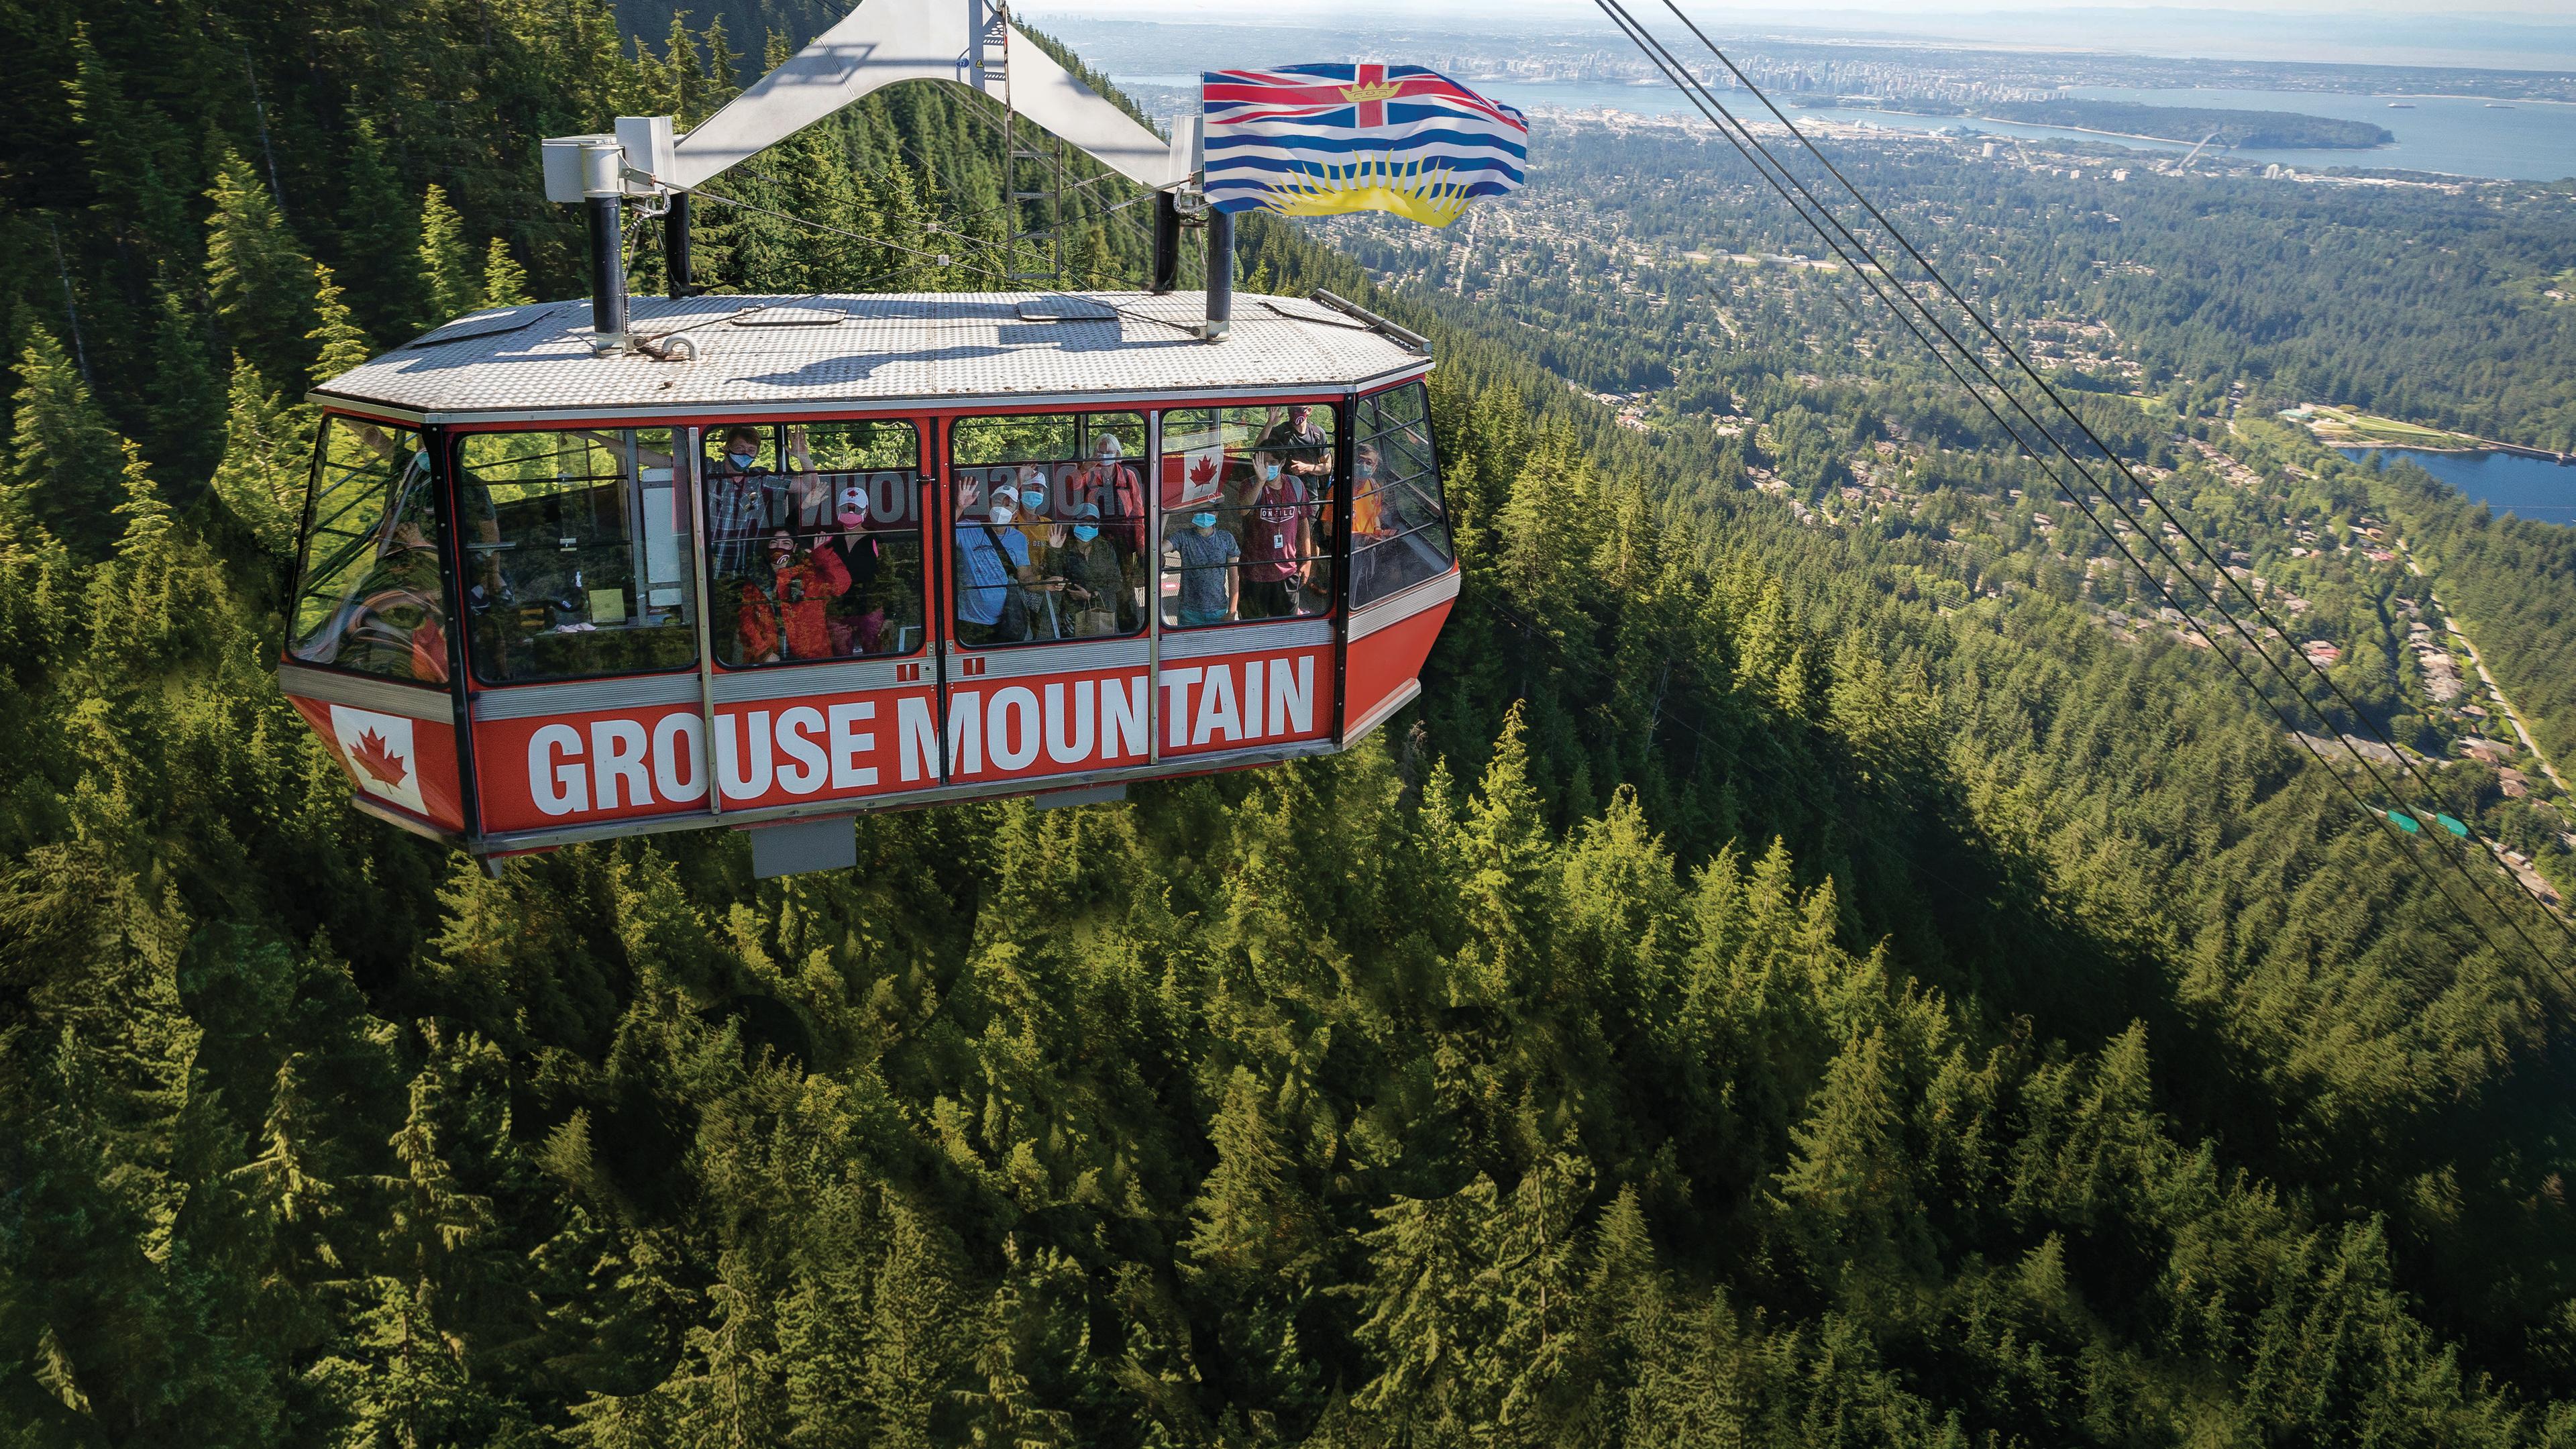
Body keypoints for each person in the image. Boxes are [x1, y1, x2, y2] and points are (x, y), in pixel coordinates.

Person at [705, 424, 824, 582]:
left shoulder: (760, 479)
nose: (745, 454)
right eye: (740, 448)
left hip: (747, 571)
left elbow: (810, 485)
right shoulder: (706, 469)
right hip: (709, 567)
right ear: (727, 448)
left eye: (751, 450)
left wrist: (803, 457)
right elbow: (669, 462)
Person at [737, 527, 850, 663]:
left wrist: (821, 554)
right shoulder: (755, 579)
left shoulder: (810, 573)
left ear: (795, 548)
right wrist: (764, 653)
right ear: (767, 546)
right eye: (774, 542)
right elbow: (746, 621)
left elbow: (841, 585)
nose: (779, 547)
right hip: (770, 662)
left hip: (812, 658)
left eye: (786, 543)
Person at [1234, 450, 1311, 619]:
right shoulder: (1249, 485)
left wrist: (1307, 559)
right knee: (1251, 629)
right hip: (1254, 574)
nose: (1268, 467)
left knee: (1286, 629)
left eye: (1273, 462)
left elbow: (1303, 519)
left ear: (1283, 463)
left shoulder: (1296, 485)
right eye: (1264, 462)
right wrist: (1261, 481)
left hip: (1287, 572)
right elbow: (1243, 510)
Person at [955, 494, 1033, 644]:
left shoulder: (1019, 539)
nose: (1002, 508)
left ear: (1015, 514)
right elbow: (940, 534)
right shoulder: (968, 528)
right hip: (968, 620)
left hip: (1004, 621)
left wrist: (1046, 582)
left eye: (1008, 505)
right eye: (998, 502)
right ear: (989, 507)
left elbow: (1025, 578)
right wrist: (960, 508)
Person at [1057, 503, 1137, 637]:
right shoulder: (1064, 548)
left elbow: (1116, 583)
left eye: (1093, 523)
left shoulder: (1105, 548)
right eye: (1084, 522)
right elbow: (1053, 577)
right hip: (1072, 617)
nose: (1088, 526)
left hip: (1103, 612)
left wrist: (1091, 595)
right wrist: (1053, 549)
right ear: (1074, 523)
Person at [1071, 433, 1145, 555]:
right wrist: (1084, 469)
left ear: (1117, 454)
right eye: (1101, 452)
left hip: (1124, 537)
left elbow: (1138, 512)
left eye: (1109, 452)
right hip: (1097, 533)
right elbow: (1073, 486)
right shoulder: (1090, 474)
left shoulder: (1128, 475)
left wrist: (1141, 542)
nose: (1105, 455)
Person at [1167, 505, 1239, 628]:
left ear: (1216, 513)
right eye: (1200, 510)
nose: (1205, 514)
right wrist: (1164, 514)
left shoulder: (1226, 539)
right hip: (1189, 612)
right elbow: (1159, 548)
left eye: (1209, 510)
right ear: (1193, 512)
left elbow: (1234, 576)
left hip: (1219, 610)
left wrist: (1232, 611)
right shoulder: (1183, 537)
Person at [1258, 404, 1333, 491]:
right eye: (1291, 409)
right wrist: (1270, 424)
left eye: (1298, 410)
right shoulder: (1280, 432)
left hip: (1310, 493)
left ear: (1308, 410)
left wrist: (1307, 468)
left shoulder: (1317, 434)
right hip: (1285, 490)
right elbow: (1259, 448)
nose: (1294, 413)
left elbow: (1327, 467)